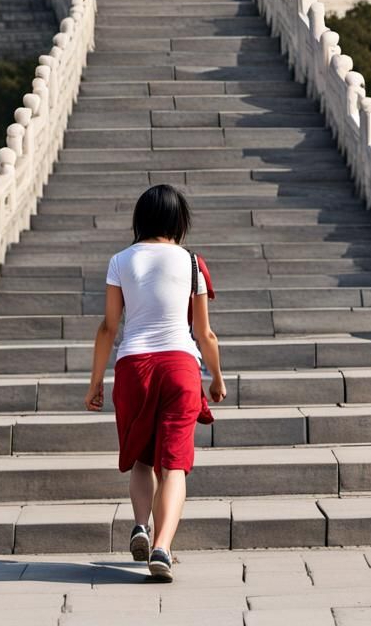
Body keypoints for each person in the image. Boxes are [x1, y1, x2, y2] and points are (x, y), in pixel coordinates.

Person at [84, 185, 225, 582]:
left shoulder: (120, 261)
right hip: (180, 366)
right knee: (175, 464)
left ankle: (141, 525)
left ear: (140, 219)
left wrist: (95, 382)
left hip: (133, 367)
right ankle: (162, 546)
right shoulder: (193, 263)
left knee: (143, 458)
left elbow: (109, 327)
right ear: (179, 223)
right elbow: (204, 333)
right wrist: (215, 376)